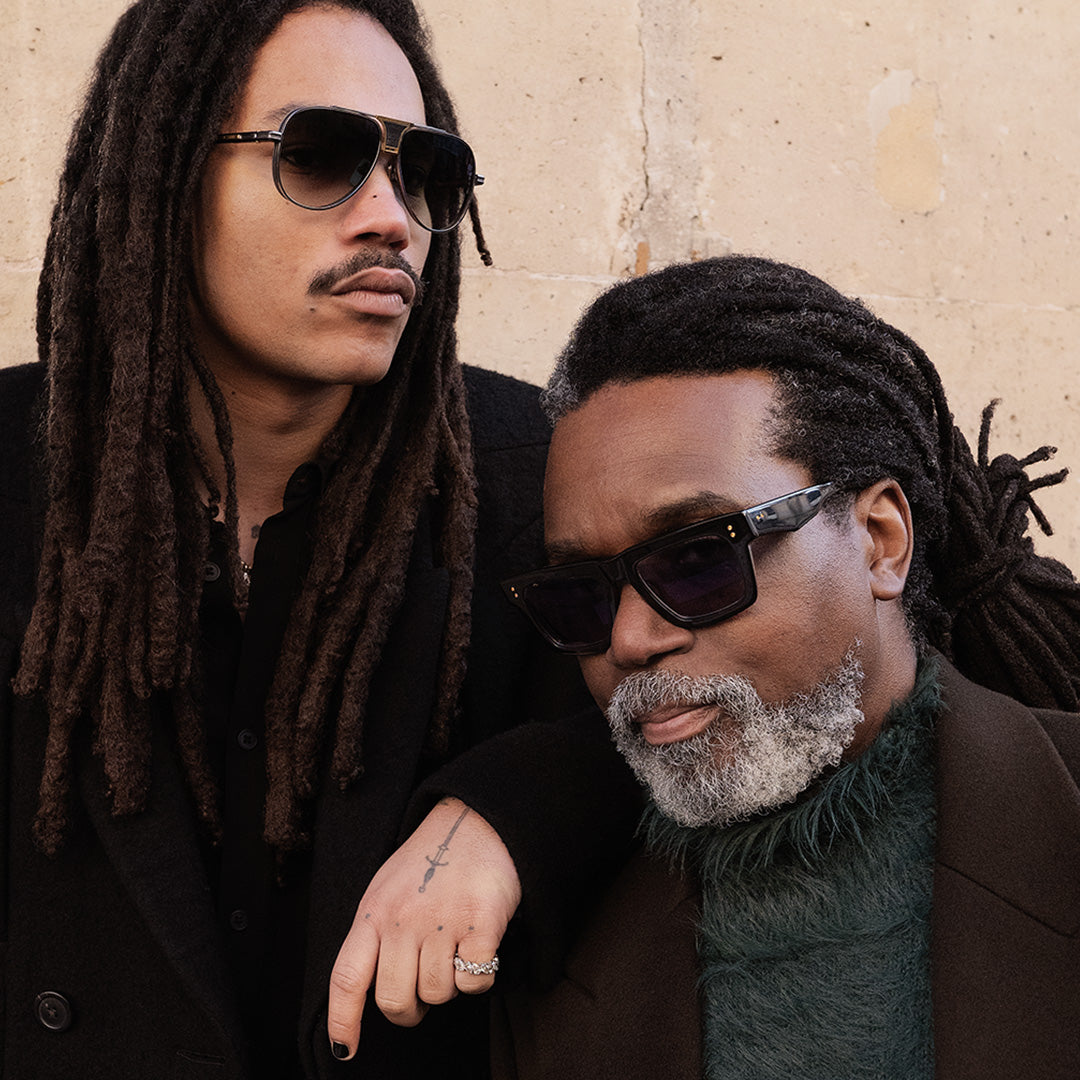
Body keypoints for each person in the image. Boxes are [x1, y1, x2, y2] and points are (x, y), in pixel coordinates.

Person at [0, 1, 640, 1077]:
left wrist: (517, 808)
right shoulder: (21, 476)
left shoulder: (537, 474)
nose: (392, 216)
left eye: (421, 170)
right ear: (160, 178)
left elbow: (767, 683)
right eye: (323, 154)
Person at [493, 255, 1080, 1080]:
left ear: (882, 540)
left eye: (698, 558)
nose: (628, 640)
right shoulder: (546, 942)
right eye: (579, 596)